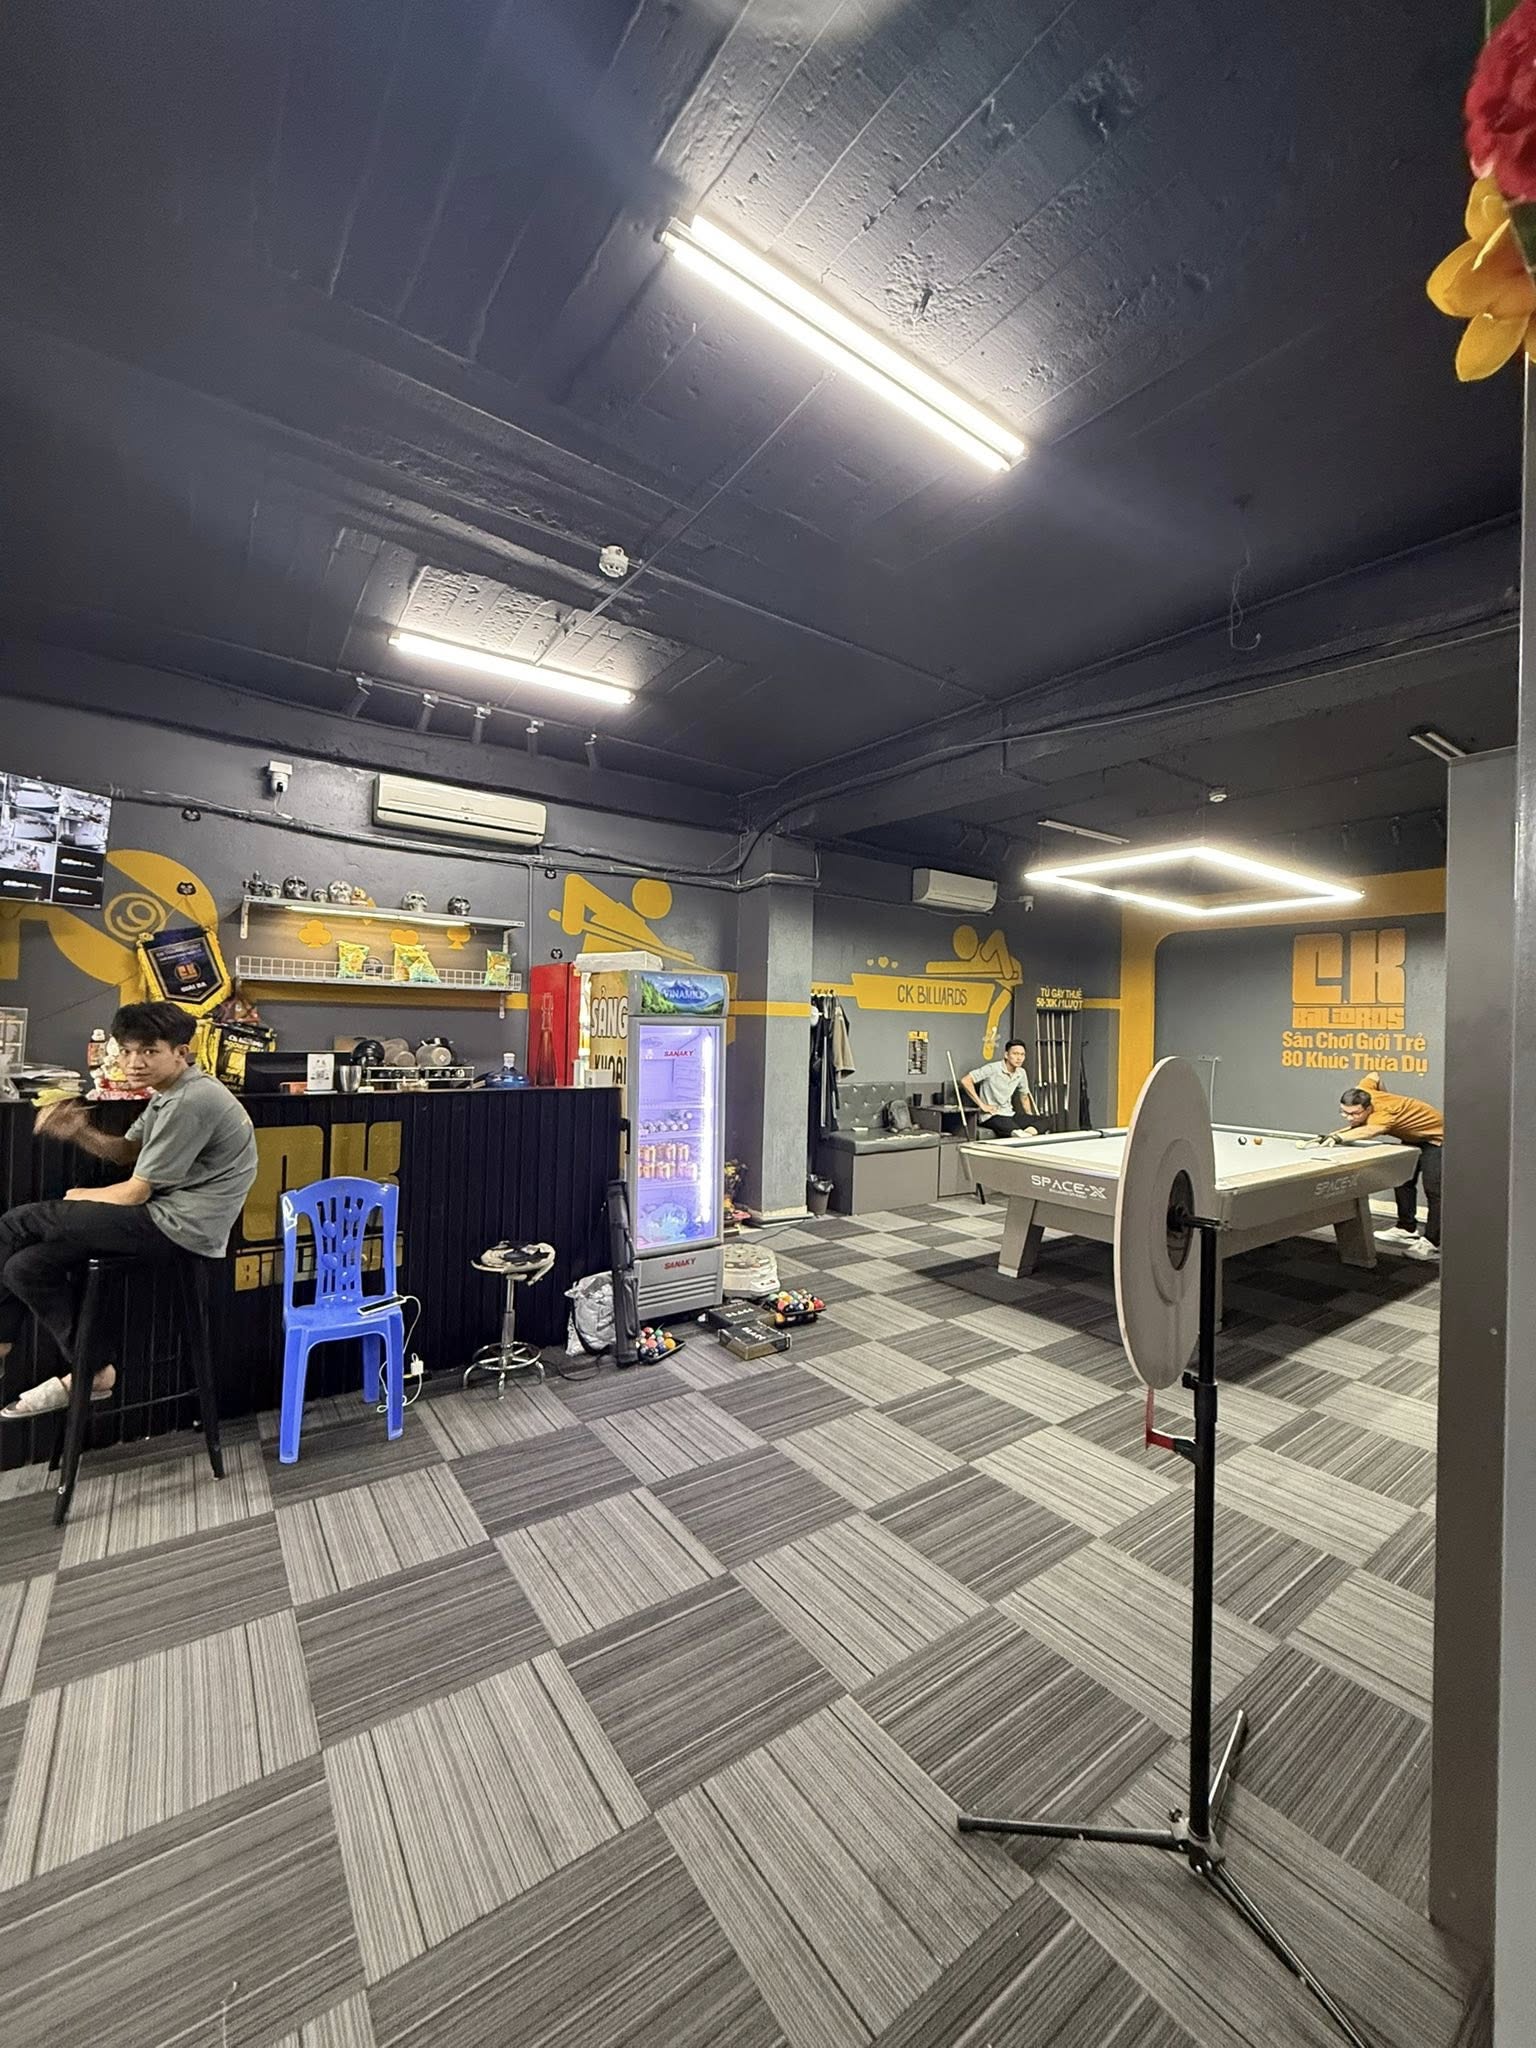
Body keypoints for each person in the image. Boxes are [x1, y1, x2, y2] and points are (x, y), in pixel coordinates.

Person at [0, 1000, 258, 1417]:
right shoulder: (167, 1096)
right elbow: (127, 1152)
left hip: (179, 1228)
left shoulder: (191, 1100)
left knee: (18, 1221)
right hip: (161, 1217)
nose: (134, 1062)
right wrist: (80, 1132)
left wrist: (77, 1197)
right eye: (126, 1051)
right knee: (24, 1268)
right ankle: (95, 1371)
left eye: (149, 1051)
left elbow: (135, 1192)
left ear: (181, 1052)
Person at [1323, 1072, 1443, 1262]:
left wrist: (1337, 1136)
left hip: (1437, 1139)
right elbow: (1374, 1075)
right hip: (1413, 1138)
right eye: (1344, 1112)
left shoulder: (1383, 1117)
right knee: (1403, 1180)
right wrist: (1387, 1095)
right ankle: (1406, 1229)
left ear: (1368, 1108)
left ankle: (1432, 1243)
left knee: (1434, 1191)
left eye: (1355, 1114)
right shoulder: (1364, 1090)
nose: (1349, 1118)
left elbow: (1369, 1131)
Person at [960, 1037, 1039, 1138]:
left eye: (1022, 1054)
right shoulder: (992, 1068)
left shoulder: (1021, 1072)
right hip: (991, 1115)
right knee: (1014, 1129)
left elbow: (1024, 1097)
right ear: (1006, 1055)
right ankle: (1020, 1133)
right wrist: (982, 1105)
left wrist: (1030, 1117)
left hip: (1009, 1114)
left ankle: (1026, 1133)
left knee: (1046, 1120)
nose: (1019, 1058)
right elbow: (966, 1080)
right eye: (1015, 1054)